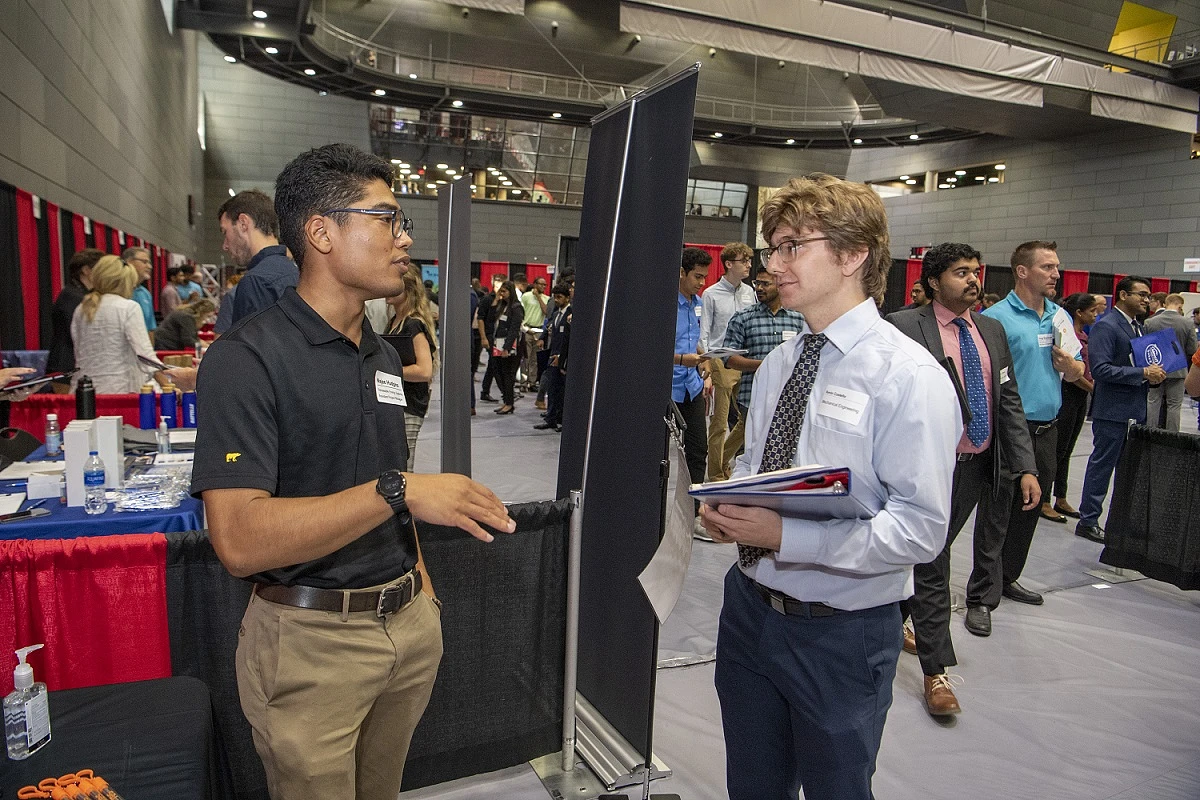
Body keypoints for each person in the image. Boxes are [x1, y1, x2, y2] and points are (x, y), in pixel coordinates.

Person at [191, 143, 515, 800]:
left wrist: (422, 591)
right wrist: (399, 491)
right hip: (310, 647)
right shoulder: (245, 361)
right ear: (321, 232)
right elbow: (240, 539)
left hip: (405, 629)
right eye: (388, 219)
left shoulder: (383, 361)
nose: (404, 240)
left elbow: (388, 478)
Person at [700, 174, 960, 800]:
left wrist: (788, 536)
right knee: (753, 786)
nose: (773, 266)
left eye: (792, 246)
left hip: (840, 636)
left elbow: (920, 530)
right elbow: (756, 464)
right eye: (770, 249)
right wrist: (733, 500)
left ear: (852, 255)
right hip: (749, 614)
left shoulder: (908, 377)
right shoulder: (784, 361)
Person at [886, 242, 1039, 717]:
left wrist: (1026, 465)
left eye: (976, 272)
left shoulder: (991, 329)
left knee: (923, 556)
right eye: (960, 273)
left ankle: (890, 622)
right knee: (932, 562)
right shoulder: (903, 326)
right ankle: (936, 672)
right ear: (933, 282)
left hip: (977, 468)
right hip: (925, 468)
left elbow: (1007, 401)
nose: (973, 280)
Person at [981, 240, 1083, 606]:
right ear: (1022, 271)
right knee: (998, 512)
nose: (1056, 274)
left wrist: (1071, 368)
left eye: (1056, 267)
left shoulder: (1059, 316)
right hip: (1010, 428)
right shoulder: (995, 318)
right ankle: (984, 591)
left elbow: (1078, 370)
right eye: (1047, 267)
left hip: (1047, 429)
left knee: (1029, 510)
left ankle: (1009, 577)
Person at [1075, 276, 1165, 543]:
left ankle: (1120, 521)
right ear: (1124, 295)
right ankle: (1088, 519)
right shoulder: (1107, 327)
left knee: (1129, 471)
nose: (1146, 300)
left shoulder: (1139, 327)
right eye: (1142, 295)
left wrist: (1152, 374)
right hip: (1112, 410)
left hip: (1135, 409)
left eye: (1149, 296)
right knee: (1102, 467)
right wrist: (1142, 372)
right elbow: (1100, 370)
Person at [722, 266, 804, 457]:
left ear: (779, 284)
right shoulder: (744, 318)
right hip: (753, 397)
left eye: (765, 284)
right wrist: (766, 365)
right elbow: (729, 358)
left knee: (785, 453)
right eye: (756, 283)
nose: (759, 288)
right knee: (753, 453)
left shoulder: (798, 318)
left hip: (789, 396)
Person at [700, 242, 756, 482]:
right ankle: (715, 475)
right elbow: (705, 333)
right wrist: (707, 366)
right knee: (719, 423)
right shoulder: (711, 294)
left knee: (748, 418)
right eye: (744, 261)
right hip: (720, 360)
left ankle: (722, 461)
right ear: (729, 264)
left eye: (749, 261)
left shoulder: (750, 293)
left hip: (745, 359)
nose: (749, 266)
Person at [70, 255, 164, 394]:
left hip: (83, 390)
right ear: (127, 282)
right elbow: (145, 356)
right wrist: (168, 382)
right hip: (119, 391)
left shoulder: (82, 308)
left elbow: (78, 350)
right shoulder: (129, 307)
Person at [1048, 293, 1099, 521]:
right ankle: (1044, 500)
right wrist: (1092, 388)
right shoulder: (1067, 334)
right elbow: (1071, 371)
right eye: (1092, 311)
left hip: (1079, 397)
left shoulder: (1084, 336)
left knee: (1068, 449)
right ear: (1079, 312)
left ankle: (1061, 496)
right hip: (1068, 393)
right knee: (1058, 449)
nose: (1095, 315)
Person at [675, 247, 713, 538]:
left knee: (698, 450)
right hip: (669, 390)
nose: (701, 282)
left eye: (704, 277)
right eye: (697, 276)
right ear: (681, 273)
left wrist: (705, 360)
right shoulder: (665, 306)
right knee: (660, 456)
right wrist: (680, 360)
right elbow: (648, 348)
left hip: (693, 387)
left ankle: (694, 515)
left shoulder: (697, 303)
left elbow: (695, 340)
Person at [219, 189, 299, 325]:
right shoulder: (296, 271)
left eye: (225, 232)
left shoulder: (256, 282)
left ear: (243, 224)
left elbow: (249, 345)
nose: (225, 246)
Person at [384, 268, 438, 470]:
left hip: (410, 404)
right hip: (398, 401)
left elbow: (424, 371)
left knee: (404, 464)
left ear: (409, 291)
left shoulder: (413, 324)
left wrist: (388, 373)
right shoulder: (395, 321)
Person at [46, 248, 104, 393]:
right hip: (65, 367)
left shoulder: (79, 294)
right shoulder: (73, 297)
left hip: (71, 364)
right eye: (101, 268)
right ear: (86, 270)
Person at [1143, 293, 1197, 431]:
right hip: (1178, 371)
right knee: (1174, 406)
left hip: (1155, 369)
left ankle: (1149, 434)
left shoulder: (1150, 322)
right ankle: (1172, 438)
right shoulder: (1187, 323)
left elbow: (1145, 347)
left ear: (1165, 304)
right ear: (1180, 305)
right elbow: (1192, 349)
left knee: (1153, 402)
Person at [534, 283, 571, 432]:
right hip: (552, 355)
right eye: (555, 297)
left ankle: (561, 419)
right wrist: (543, 337)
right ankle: (550, 419)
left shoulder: (571, 314)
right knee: (551, 388)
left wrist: (562, 357)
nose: (556, 300)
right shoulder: (556, 314)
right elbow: (549, 328)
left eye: (560, 297)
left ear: (568, 298)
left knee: (562, 390)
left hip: (562, 358)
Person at [489, 280, 523, 414]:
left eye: (504, 291)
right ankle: (506, 401)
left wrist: (507, 348)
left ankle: (509, 403)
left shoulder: (516, 307)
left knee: (508, 375)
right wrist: (496, 301)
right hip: (498, 343)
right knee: (499, 373)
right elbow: (491, 318)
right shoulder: (501, 305)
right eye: (500, 291)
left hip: (510, 346)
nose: (501, 294)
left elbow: (514, 329)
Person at [521, 275, 549, 398]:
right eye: (541, 284)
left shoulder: (547, 298)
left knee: (535, 359)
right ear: (534, 284)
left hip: (539, 330)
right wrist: (524, 328)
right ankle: (523, 382)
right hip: (527, 329)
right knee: (525, 357)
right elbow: (522, 313)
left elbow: (546, 312)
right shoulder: (526, 296)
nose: (543, 286)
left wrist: (538, 297)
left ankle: (532, 382)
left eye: (545, 285)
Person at [123, 247, 157, 335]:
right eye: (144, 262)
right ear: (129, 262)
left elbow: (150, 328)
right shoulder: (117, 290)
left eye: (149, 263)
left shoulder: (145, 294)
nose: (150, 267)